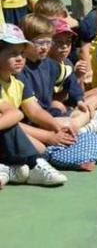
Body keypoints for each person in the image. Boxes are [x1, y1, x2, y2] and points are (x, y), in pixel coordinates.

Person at [0, 23, 69, 186]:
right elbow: (15, 115)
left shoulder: (18, 83)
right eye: (12, 54)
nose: (19, 59)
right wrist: (48, 136)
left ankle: (12, 169)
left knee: (46, 142)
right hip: (9, 132)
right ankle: (32, 164)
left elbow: (34, 111)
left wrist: (56, 127)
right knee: (38, 148)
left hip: (9, 134)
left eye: (22, 54)